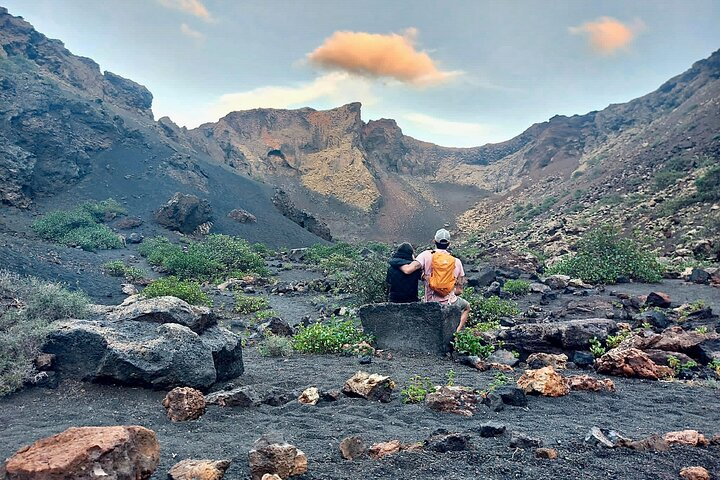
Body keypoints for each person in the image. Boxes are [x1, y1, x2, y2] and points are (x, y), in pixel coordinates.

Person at [400, 228, 470, 332]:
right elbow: (459, 290)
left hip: (430, 302)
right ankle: (456, 332)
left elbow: (409, 269)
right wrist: (446, 290)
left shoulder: (425, 255)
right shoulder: (456, 261)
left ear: (434, 241)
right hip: (450, 302)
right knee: (466, 307)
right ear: (449, 243)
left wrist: (397, 263)